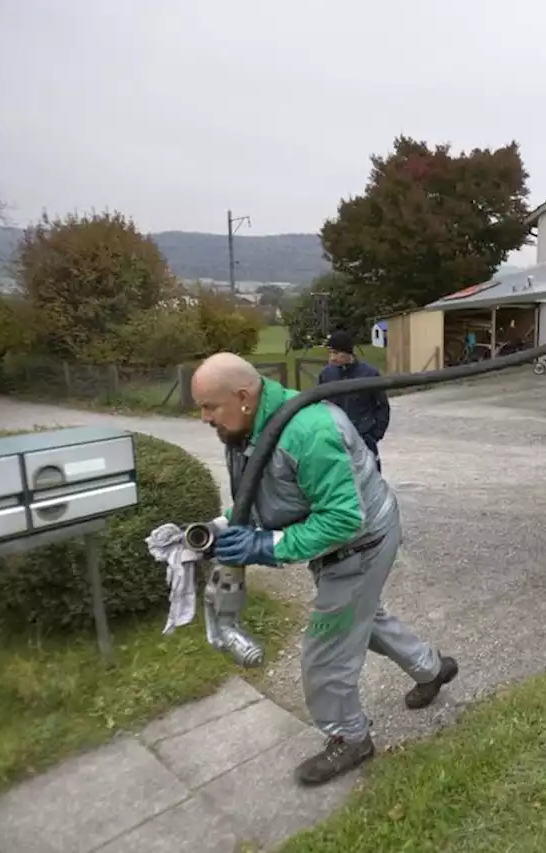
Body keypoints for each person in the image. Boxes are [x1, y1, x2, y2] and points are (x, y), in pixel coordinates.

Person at [190, 352, 458, 785]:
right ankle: (432, 668)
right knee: (361, 617)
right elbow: (257, 496)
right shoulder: (248, 430)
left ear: (242, 396)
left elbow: (342, 519)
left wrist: (266, 544)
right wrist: (219, 528)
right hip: (348, 542)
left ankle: (351, 738)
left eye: (208, 406)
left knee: (326, 650)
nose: (203, 417)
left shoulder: (308, 431)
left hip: (360, 543)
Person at [318, 330, 389, 472]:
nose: (332, 358)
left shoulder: (369, 374)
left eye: (336, 353)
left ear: (348, 353)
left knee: (370, 479)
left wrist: (375, 434)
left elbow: (382, 406)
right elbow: (320, 405)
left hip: (364, 437)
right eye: (330, 353)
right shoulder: (326, 374)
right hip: (336, 439)